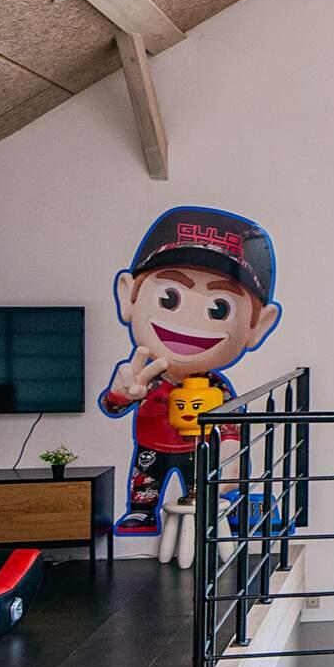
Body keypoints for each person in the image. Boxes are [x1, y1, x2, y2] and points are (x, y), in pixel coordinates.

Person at [99, 207, 281, 534]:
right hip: (151, 444)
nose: (188, 324)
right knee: (146, 479)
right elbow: (113, 406)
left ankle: (201, 514)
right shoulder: (148, 377)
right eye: (169, 298)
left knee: (200, 489)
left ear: (258, 325)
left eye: (219, 308)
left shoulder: (216, 387)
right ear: (128, 296)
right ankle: (142, 510)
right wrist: (119, 395)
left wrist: (231, 452)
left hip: (197, 448)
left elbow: (230, 423)